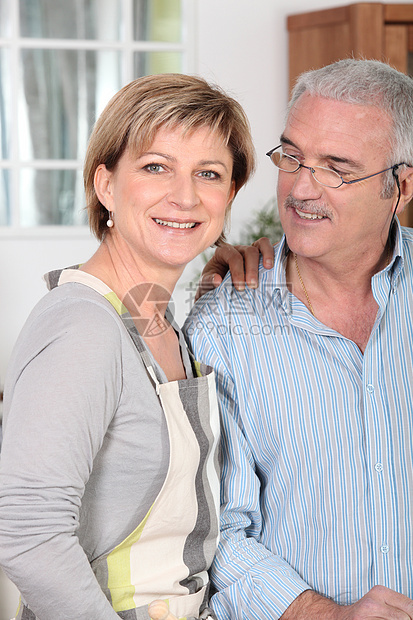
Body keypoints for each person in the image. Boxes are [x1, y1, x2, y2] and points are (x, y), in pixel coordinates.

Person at [0, 73, 255, 620]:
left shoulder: (159, 324)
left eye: (208, 174)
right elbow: (26, 530)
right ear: (105, 184)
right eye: (155, 166)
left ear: (230, 196)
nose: (184, 196)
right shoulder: (82, 328)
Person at [184, 59, 413, 619]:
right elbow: (214, 529)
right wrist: (327, 614)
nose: (300, 189)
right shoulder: (222, 324)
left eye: (337, 168)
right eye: (291, 157)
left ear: (400, 186)